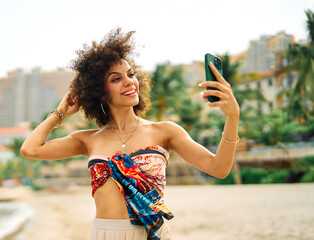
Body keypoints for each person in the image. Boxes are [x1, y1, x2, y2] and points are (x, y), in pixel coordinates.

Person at [20, 28, 240, 240]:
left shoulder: (165, 131)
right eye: (116, 79)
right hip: (104, 233)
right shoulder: (87, 139)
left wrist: (233, 117)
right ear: (100, 92)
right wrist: (59, 114)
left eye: (131, 74)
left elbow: (218, 168)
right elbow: (30, 149)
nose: (129, 82)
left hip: (151, 233)